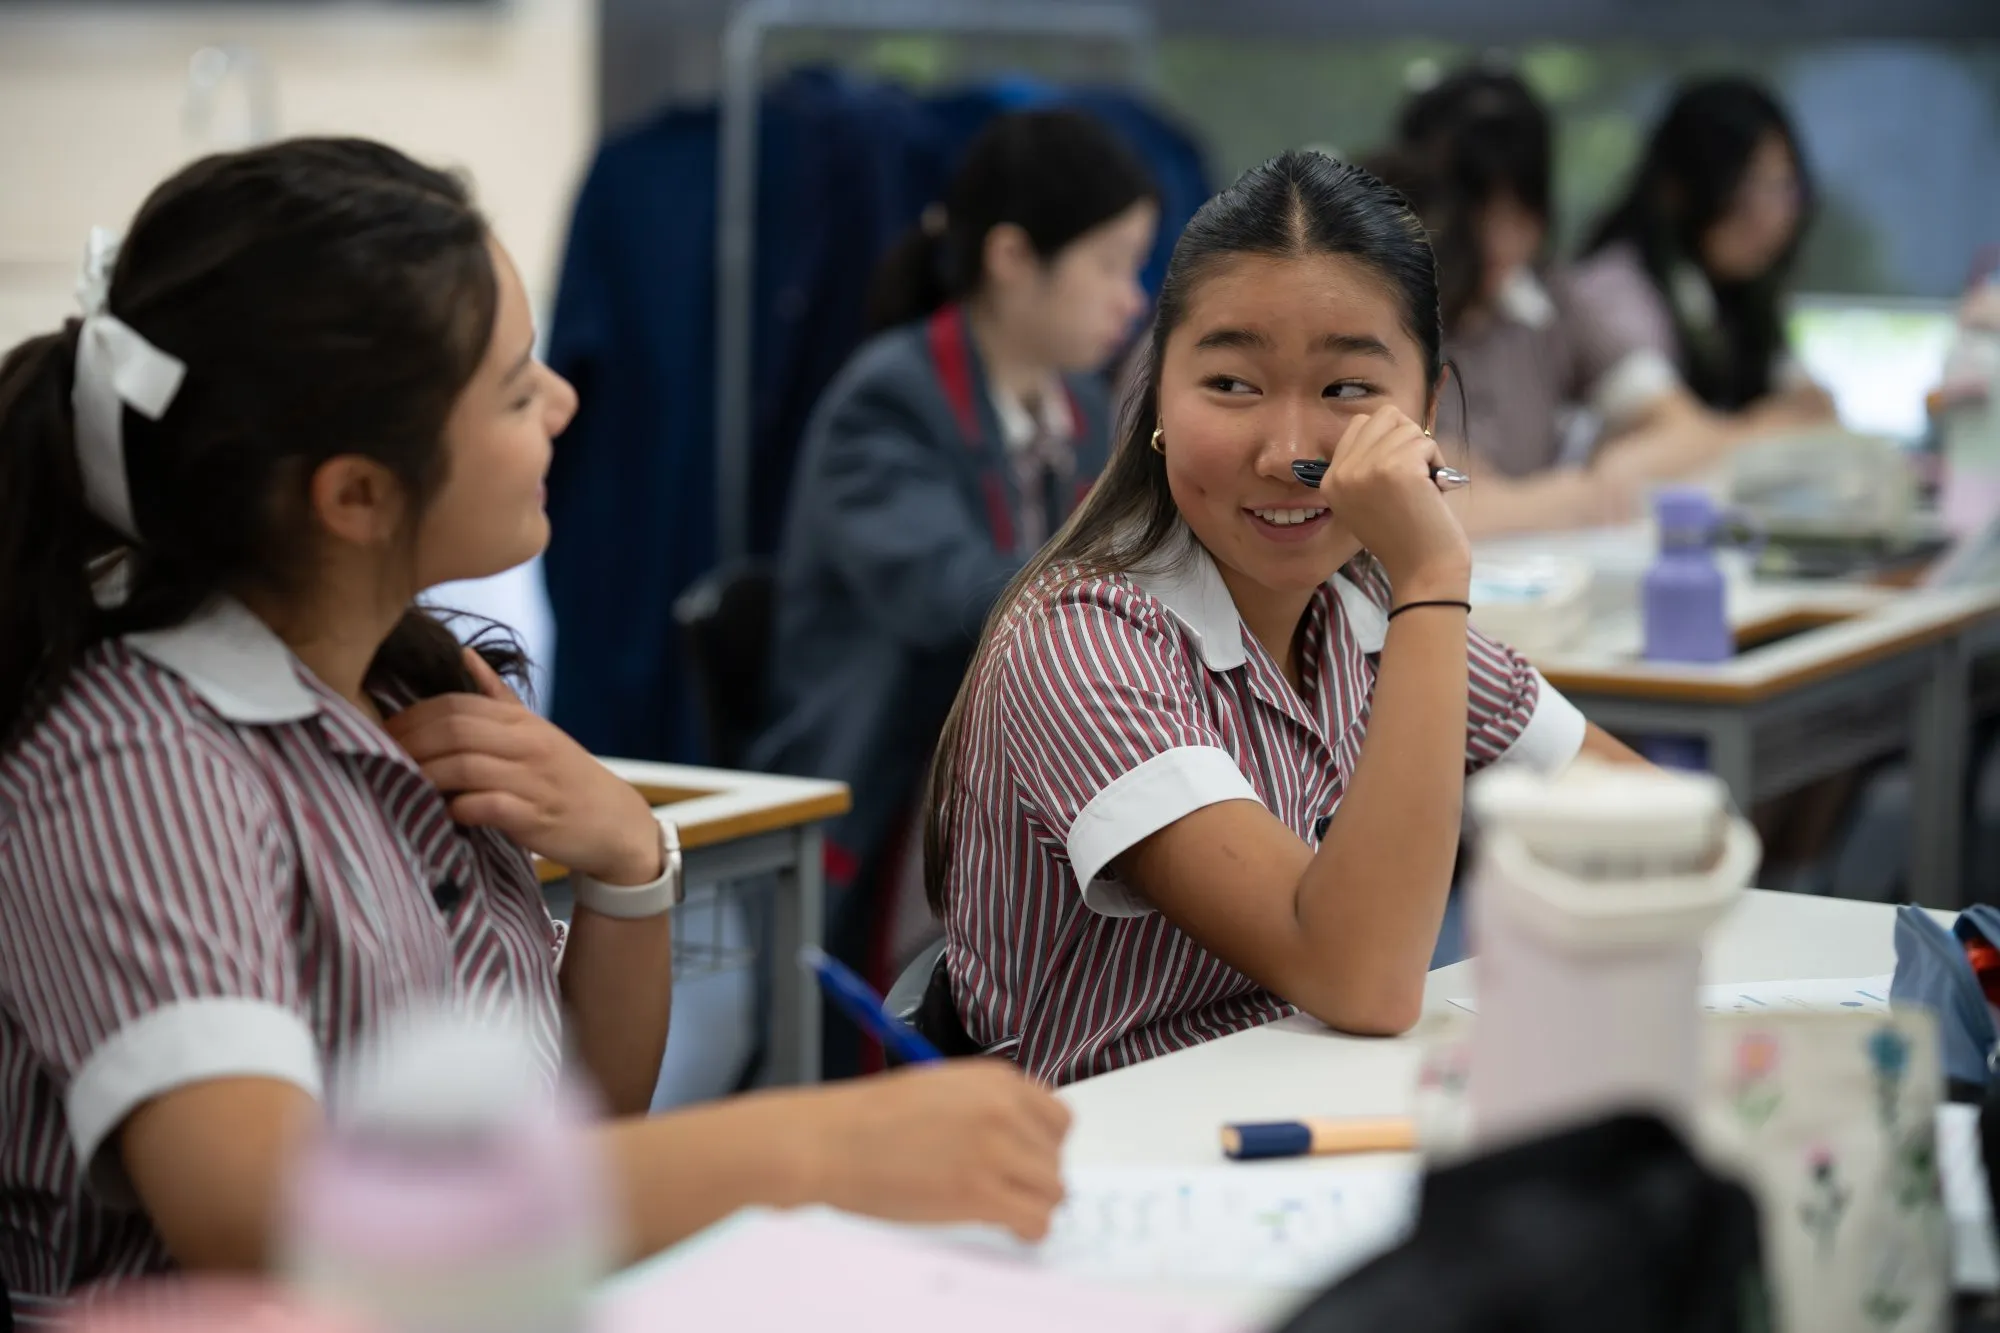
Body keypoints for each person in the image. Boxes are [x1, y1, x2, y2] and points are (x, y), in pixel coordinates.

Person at [0, 138, 1069, 1315]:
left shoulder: (413, 694)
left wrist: (628, 864)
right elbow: (266, 1218)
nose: (563, 402)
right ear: (355, 495)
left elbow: (570, 1132)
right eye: (516, 388)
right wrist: (803, 1149)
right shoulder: (140, 765)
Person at [921, 151, 1643, 1088]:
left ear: (1423, 410)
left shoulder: (1364, 615)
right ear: (1157, 400)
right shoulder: (1082, 641)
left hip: (1325, 1121)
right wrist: (1430, 568)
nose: (1289, 451)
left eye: (1349, 390)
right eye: (1231, 384)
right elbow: (1362, 976)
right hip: (1116, 1172)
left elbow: (1655, 823)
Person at [752, 109, 1158, 1073]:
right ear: (1014, 257)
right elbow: (956, 597)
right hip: (894, 781)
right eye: (1109, 265)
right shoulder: (888, 400)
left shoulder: (1083, 404)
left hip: (1000, 761)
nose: (1132, 302)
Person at [1379, 69, 1801, 537]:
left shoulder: (1549, 300)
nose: (1499, 242)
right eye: (1473, 214)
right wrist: (1574, 494)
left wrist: (1603, 476)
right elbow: (1435, 507)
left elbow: (1682, 428)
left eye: (1522, 211)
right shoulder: (1381, 307)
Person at [1575, 76, 1836, 456]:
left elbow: (1817, 408)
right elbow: (1683, 441)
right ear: (1679, 190)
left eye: (1783, 187)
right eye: (1746, 188)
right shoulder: (1613, 292)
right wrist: (1776, 423)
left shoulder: (1741, 293)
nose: (1771, 216)